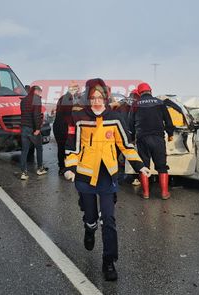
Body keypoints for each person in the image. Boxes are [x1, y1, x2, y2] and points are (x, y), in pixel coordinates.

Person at [63, 78, 148, 282]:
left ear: (106, 97)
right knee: (91, 216)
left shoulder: (116, 117)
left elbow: (126, 145)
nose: (96, 101)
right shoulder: (79, 117)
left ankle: (109, 261)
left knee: (108, 220)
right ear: (87, 98)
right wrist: (70, 167)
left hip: (107, 176)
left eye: (99, 97)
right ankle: (89, 228)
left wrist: (139, 165)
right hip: (84, 175)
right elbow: (72, 146)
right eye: (92, 97)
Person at [128, 82, 175, 200]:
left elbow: (130, 124)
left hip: (142, 138)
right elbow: (168, 120)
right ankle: (164, 193)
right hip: (158, 138)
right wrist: (170, 134)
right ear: (151, 91)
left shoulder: (135, 104)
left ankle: (146, 193)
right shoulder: (160, 103)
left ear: (139, 93)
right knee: (162, 166)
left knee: (144, 165)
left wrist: (132, 138)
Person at [52, 81, 80, 176]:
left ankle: (63, 167)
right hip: (64, 127)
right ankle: (66, 168)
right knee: (66, 147)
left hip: (60, 126)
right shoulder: (69, 99)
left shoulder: (63, 98)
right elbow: (71, 115)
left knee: (62, 148)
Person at [19, 85, 46, 180]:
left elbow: (23, 114)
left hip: (24, 127)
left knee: (24, 150)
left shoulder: (23, 100)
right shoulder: (37, 99)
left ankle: (23, 172)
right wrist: (38, 128)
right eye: (40, 93)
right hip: (32, 128)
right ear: (37, 91)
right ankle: (40, 168)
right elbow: (36, 115)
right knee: (39, 148)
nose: (40, 95)